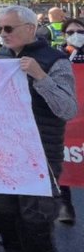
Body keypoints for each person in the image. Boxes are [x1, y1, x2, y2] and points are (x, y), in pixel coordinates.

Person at [0, 5, 77, 252]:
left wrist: (40, 76)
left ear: (30, 28)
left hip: (40, 155)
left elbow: (67, 108)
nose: (3, 34)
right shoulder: (1, 57)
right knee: (6, 218)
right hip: (5, 154)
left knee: (36, 222)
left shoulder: (54, 60)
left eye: (8, 28)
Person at [58, 17, 84, 224]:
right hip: (67, 117)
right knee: (63, 160)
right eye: (71, 32)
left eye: (80, 31)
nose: (76, 36)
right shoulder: (57, 57)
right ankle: (66, 204)